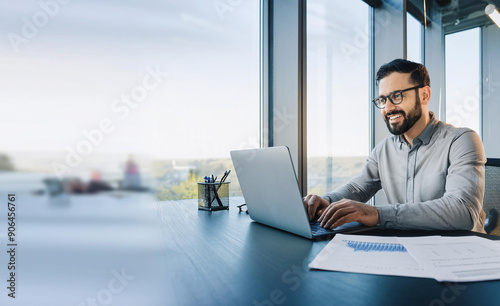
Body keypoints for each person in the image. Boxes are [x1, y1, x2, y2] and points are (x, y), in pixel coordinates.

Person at [304, 58, 486, 232]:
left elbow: (462, 211)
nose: (388, 108)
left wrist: (376, 214)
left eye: (396, 96)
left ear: (424, 95)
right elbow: (356, 189)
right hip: (405, 249)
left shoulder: (461, 140)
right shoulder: (383, 150)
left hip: (456, 252)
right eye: (383, 100)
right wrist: (325, 201)